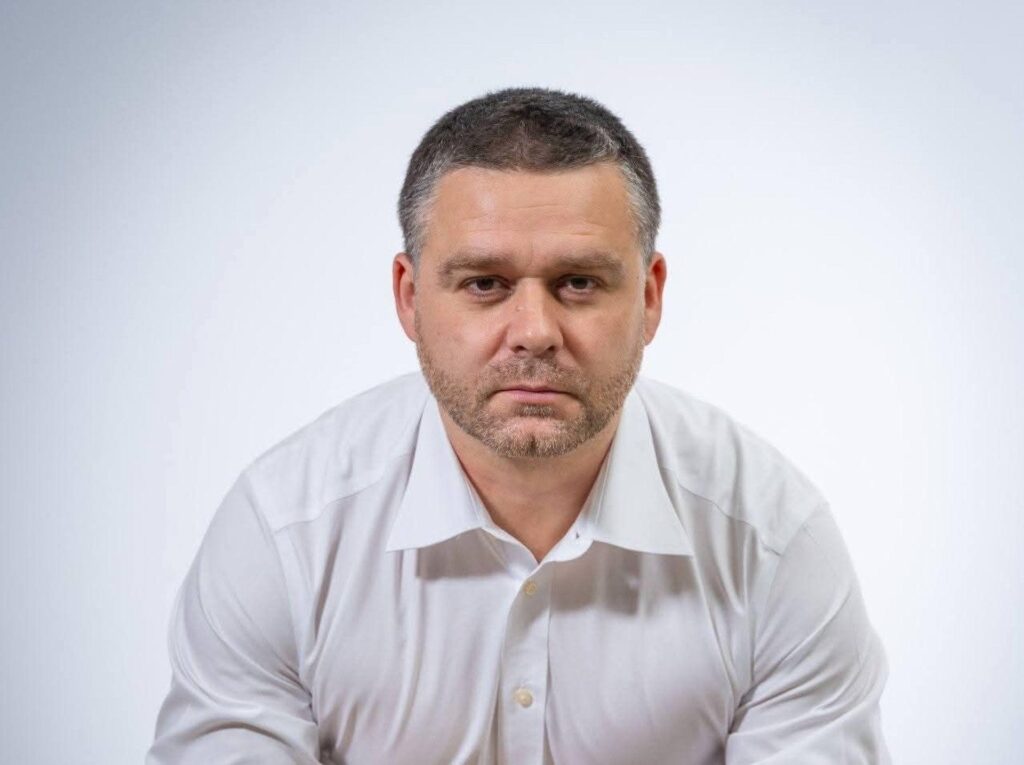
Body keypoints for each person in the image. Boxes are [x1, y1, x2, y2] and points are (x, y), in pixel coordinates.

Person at [148, 87, 890, 764]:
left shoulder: (772, 541)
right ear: (409, 298)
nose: (534, 331)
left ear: (650, 297)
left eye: (579, 282)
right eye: (485, 283)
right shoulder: (284, 534)